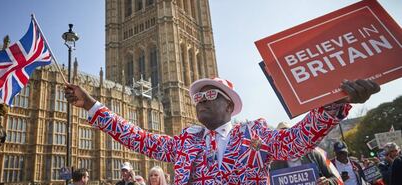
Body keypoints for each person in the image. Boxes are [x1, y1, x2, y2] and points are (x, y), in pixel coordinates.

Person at [65, 77, 379, 184]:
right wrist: (93, 105)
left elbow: (296, 141)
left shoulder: (255, 133)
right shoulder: (186, 141)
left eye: (210, 95)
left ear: (230, 106)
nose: (200, 101)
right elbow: (140, 138)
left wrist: (336, 104)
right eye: (197, 97)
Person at [270, 122, 342, 185]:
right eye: (282, 137)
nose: (286, 140)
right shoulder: (273, 164)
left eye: (288, 135)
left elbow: (334, 178)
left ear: (294, 136)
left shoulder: (313, 154)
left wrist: (328, 182)